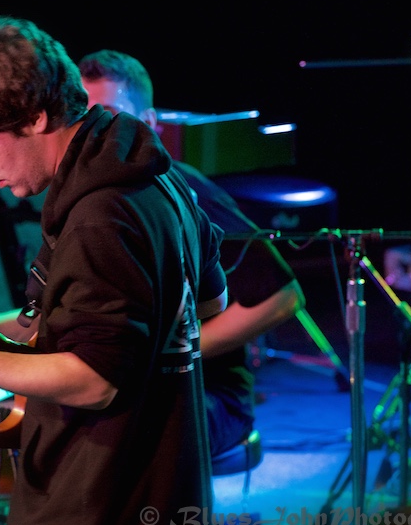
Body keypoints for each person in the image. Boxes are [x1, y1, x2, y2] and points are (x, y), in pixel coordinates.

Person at [0, 17, 229, 525]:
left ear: (36, 118)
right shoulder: (160, 175)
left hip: (99, 508)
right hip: (164, 493)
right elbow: (210, 302)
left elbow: (94, 381)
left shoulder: (98, 216)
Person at [77, 49, 306, 461]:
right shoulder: (87, 201)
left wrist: (171, 357)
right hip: (141, 386)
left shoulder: (181, 190)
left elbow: (282, 296)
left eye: (109, 112)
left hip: (209, 397)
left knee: (105, 435)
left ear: (148, 123)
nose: (94, 129)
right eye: (84, 114)